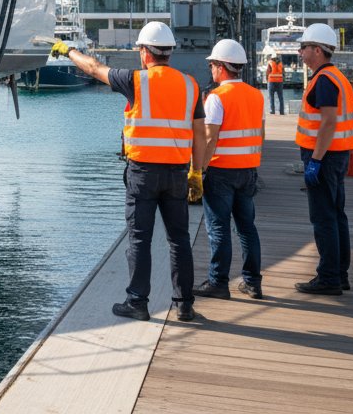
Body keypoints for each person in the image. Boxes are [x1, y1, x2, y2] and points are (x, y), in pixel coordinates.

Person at [57, 21, 203, 322]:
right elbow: (200, 134)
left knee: (139, 238)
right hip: (177, 173)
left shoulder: (136, 80)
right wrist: (197, 173)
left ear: (145, 52)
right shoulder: (191, 85)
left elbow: (94, 68)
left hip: (143, 174)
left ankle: (138, 302)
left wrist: (68, 50)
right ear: (169, 52)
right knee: (179, 239)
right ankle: (184, 305)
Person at [192, 40, 264, 300]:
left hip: (221, 171)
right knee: (247, 228)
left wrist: (198, 171)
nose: (211, 69)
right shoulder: (256, 95)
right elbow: (260, 134)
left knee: (219, 228)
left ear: (221, 67)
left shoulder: (217, 97)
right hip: (248, 171)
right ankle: (253, 282)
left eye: (212, 64)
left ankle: (218, 283)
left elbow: (210, 138)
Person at [294, 23, 353, 295]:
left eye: (304, 47)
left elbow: (329, 122)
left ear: (317, 50)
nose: (300, 52)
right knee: (336, 214)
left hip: (325, 157)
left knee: (323, 217)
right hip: (337, 154)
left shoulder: (324, 81)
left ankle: (329, 277)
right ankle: (339, 273)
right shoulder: (336, 77)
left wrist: (315, 161)